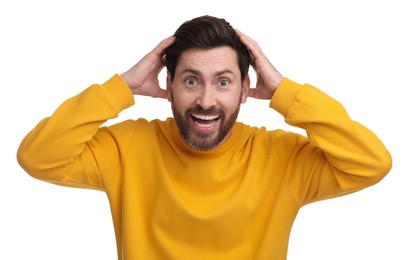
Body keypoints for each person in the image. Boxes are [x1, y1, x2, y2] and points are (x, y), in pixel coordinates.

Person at [17, 15, 392, 259]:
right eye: (191, 81)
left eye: (224, 82)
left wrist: (286, 93)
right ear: (169, 85)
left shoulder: (280, 158)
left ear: (246, 89)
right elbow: (38, 157)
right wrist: (122, 88)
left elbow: (371, 163)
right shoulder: (128, 148)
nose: (206, 101)